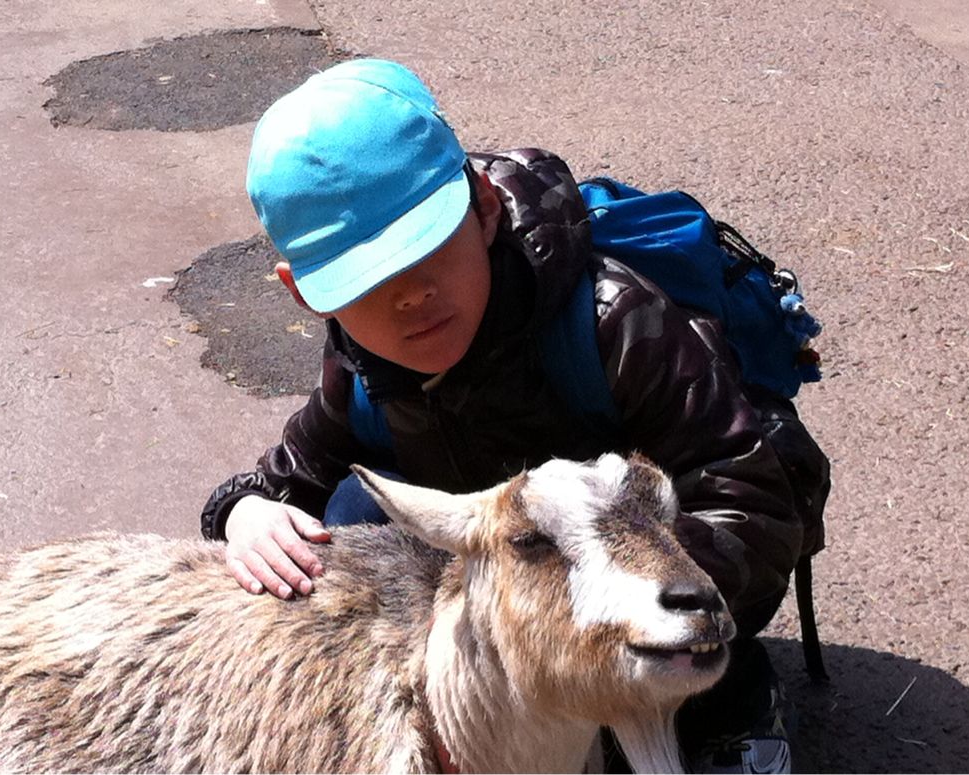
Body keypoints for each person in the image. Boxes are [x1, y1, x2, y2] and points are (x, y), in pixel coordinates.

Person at [201, 58, 829, 774]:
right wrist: (246, 512)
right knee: (348, 511)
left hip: (652, 588)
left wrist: (620, 588)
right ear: (305, 293)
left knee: (691, 651)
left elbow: (750, 496)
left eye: (429, 248)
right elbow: (288, 476)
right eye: (365, 282)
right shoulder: (363, 365)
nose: (410, 297)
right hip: (521, 599)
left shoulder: (616, 321)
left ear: (484, 207)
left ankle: (732, 703)